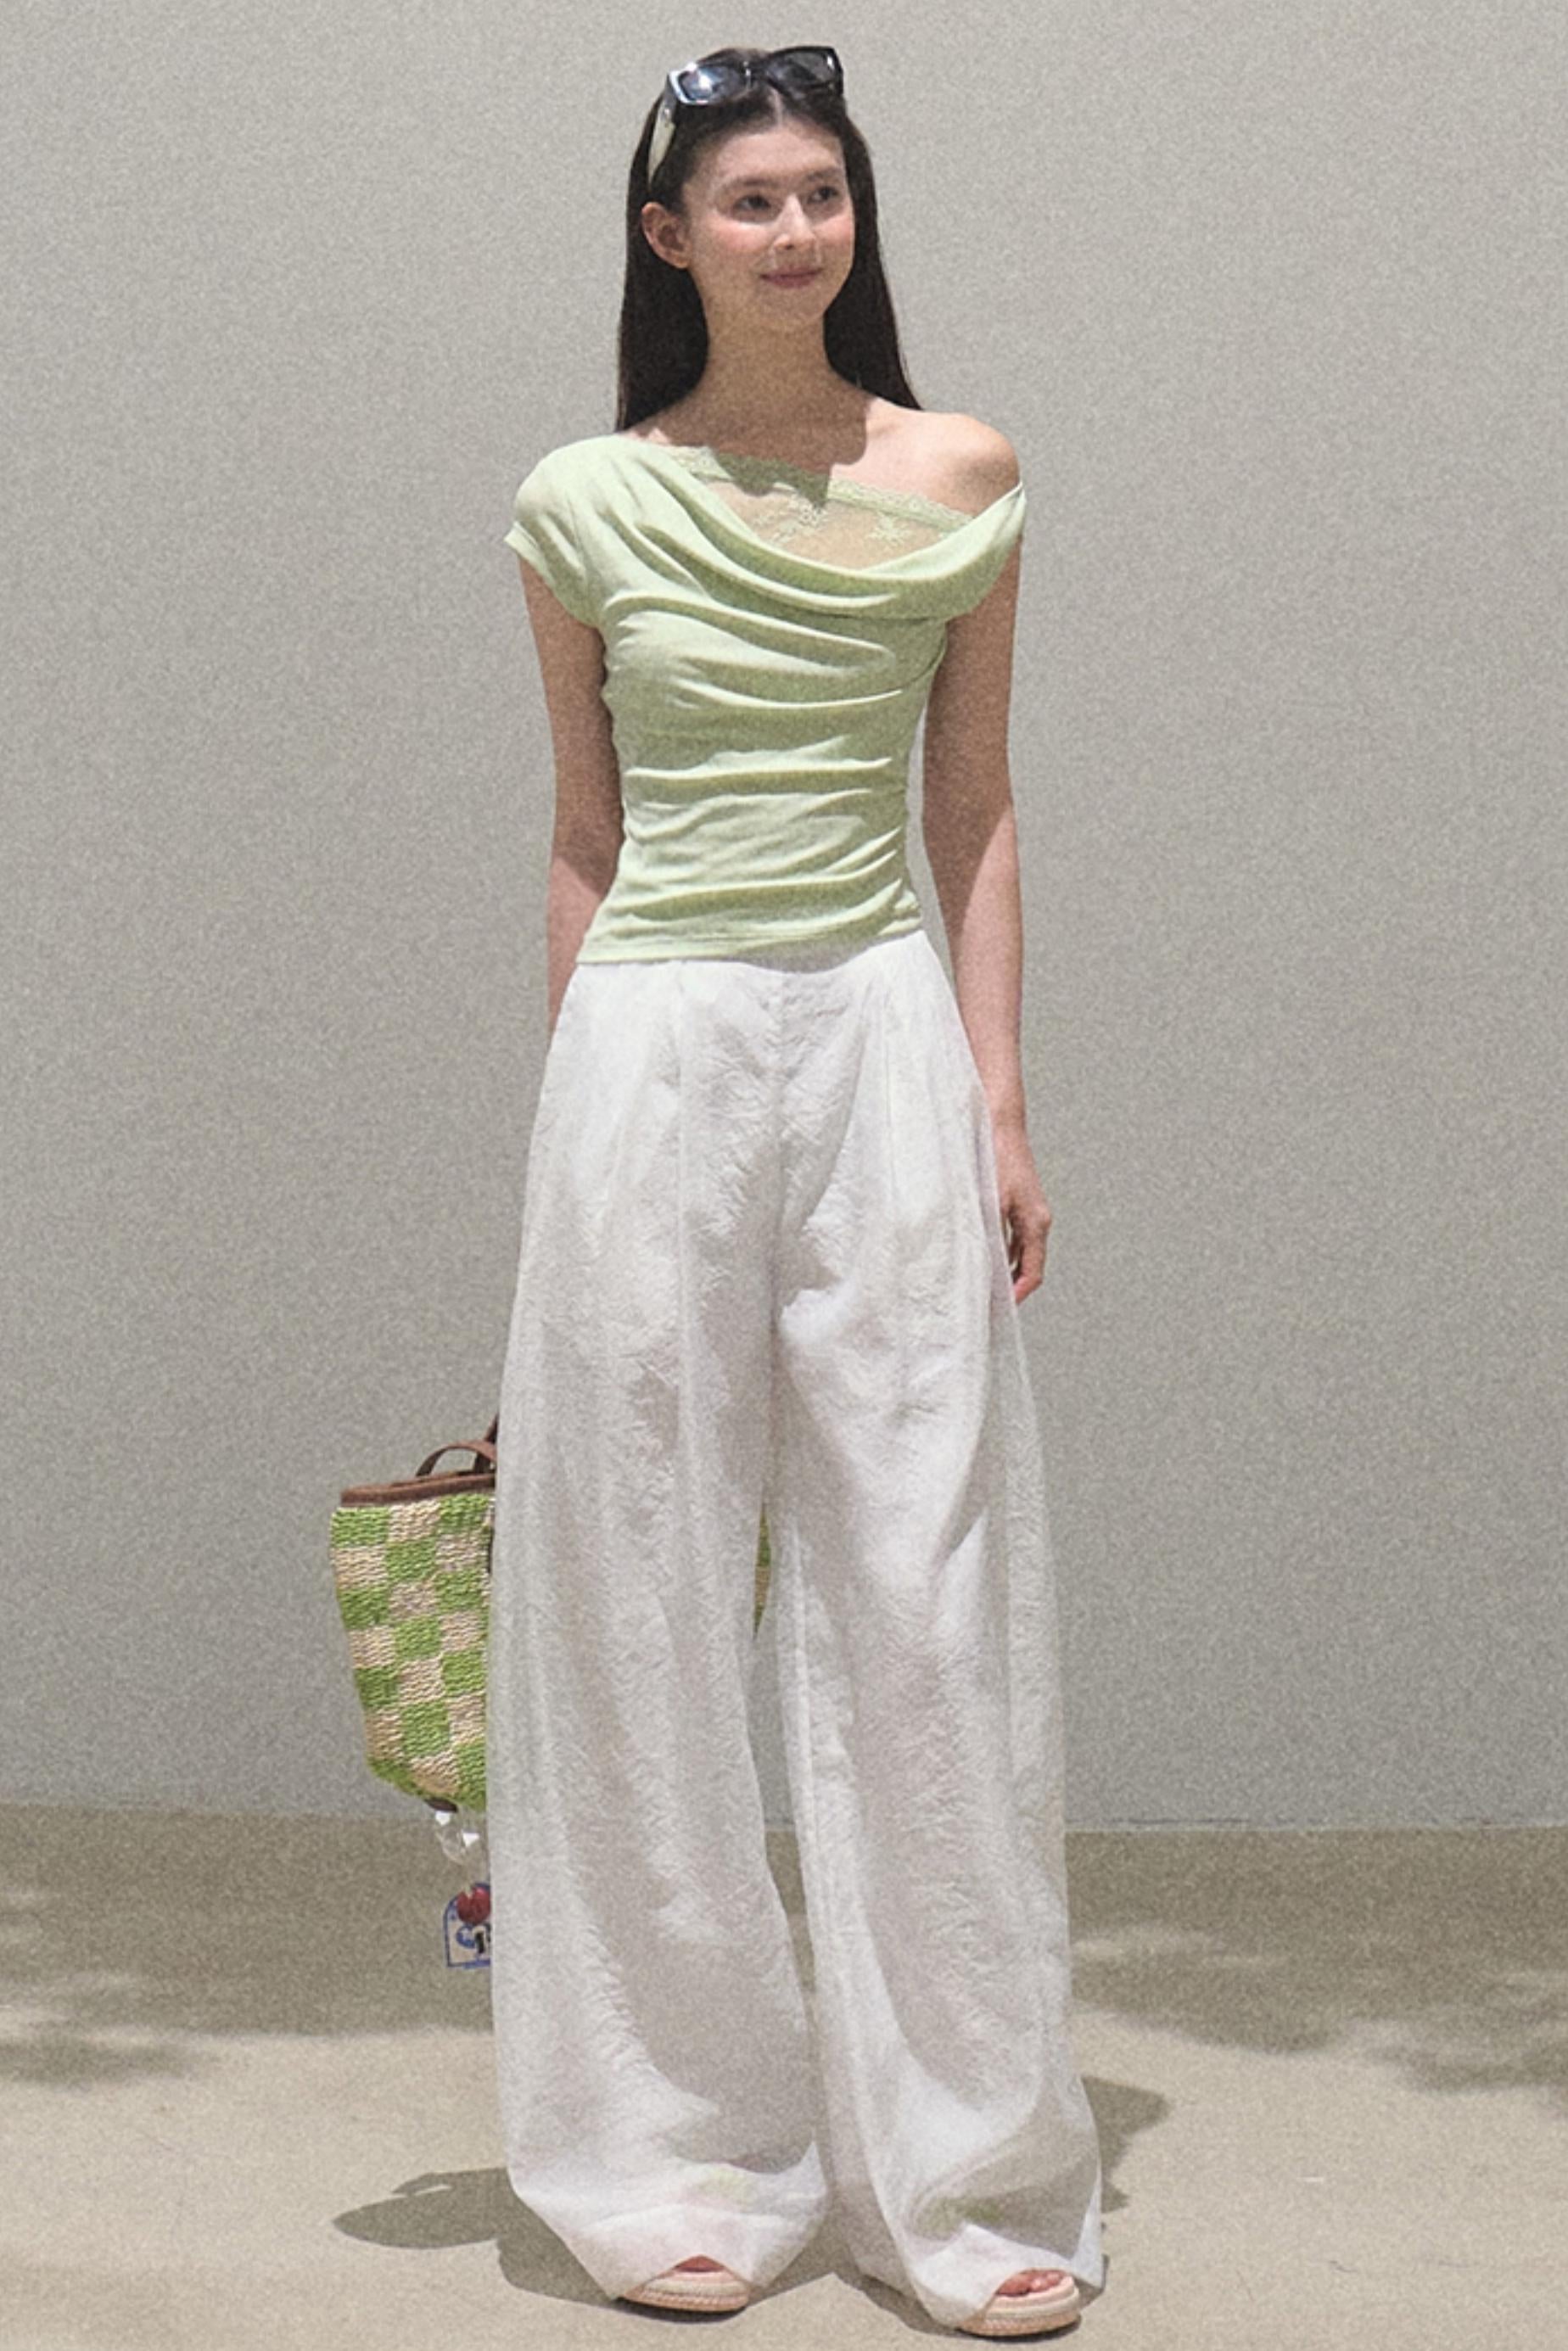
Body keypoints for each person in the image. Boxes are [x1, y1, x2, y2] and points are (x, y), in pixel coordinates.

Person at [485, 44, 1105, 2341]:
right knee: (636, 1584)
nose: (791, 230)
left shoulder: (964, 470)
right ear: (670, 238)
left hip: (880, 1031)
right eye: (747, 199)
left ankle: (966, 2172)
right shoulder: (582, 499)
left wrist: (1003, 1101)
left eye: (820, 193)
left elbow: (977, 806)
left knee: (921, 1587)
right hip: (652, 1039)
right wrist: (575, 1111)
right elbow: (584, 829)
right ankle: (679, 2156)